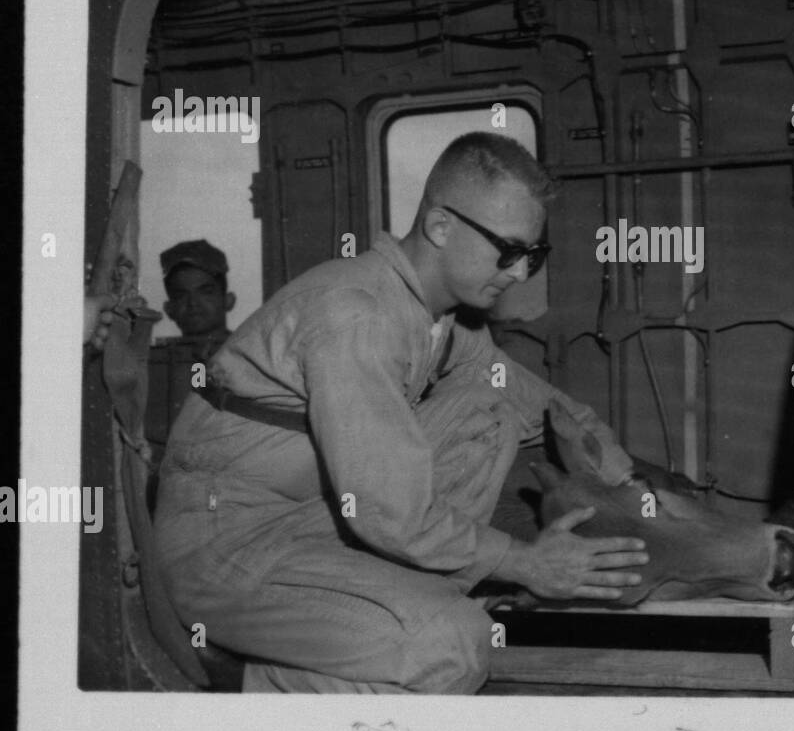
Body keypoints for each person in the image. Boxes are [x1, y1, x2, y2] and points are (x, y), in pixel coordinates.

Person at [154, 132, 650, 694]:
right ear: (440, 227)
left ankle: (398, 607)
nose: (518, 273)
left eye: (534, 256)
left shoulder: (442, 320)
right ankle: (240, 682)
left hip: (302, 517)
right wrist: (524, 562)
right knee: (456, 647)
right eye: (508, 251)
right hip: (225, 545)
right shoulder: (358, 315)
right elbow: (387, 512)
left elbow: (532, 399)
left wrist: (625, 481)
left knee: (486, 408)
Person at [145, 241, 236, 506]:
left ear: (228, 300)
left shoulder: (250, 355)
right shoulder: (154, 361)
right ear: (169, 309)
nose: (193, 303)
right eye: (181, 295)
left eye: (205, 292)